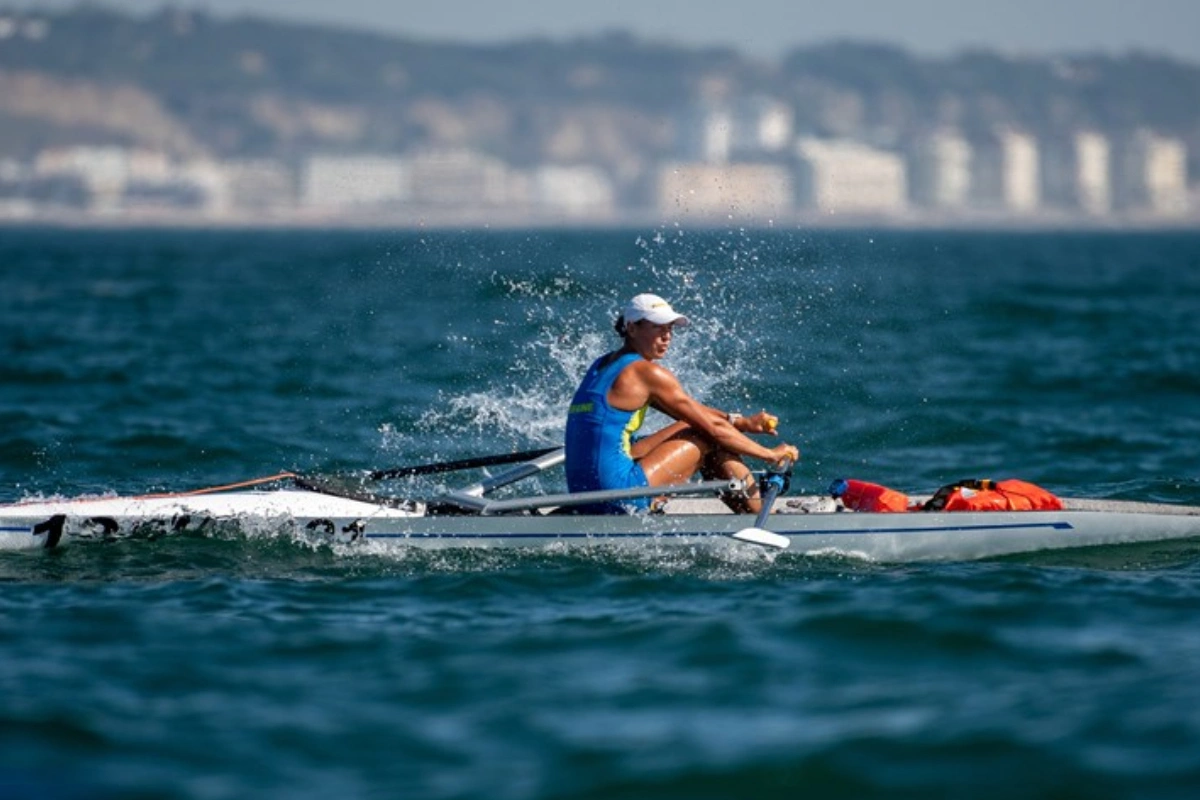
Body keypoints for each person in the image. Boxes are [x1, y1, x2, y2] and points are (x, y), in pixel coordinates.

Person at [564, 293, 800, 514]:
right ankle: (761, 514)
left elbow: (691, 411)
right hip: (617, 495)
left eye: (669, 328)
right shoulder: (646, 373)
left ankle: (753, 508)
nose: (667, 336)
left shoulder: (602, 365)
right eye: (657, 327)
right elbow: (712, 428)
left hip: (583, 492)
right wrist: (769, 454)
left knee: (689, 426)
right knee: (709, 436)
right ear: (632, 328)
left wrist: (741, 422)